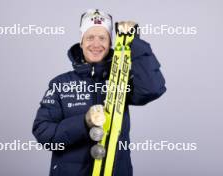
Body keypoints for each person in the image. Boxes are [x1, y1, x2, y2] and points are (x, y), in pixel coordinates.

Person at [32, 9, 166, 176]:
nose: (96, 44)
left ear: (110, 43)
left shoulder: (120, 79)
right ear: (81, 42)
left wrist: (135, 43)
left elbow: (152, 89)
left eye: (102, 38)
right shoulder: (61, 84)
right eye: (90, 37)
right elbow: (44, 133)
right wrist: (84, 122)